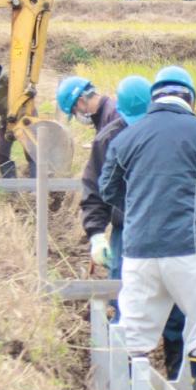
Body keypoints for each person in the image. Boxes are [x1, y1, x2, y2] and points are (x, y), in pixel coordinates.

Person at [101, 65, 196, 390]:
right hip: (189, 250)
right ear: (189, 97)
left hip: (138, 253)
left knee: (134, 332)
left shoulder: (127, 136)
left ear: (154, 96)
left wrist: (142, 210)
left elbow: (108, 188)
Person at [67, 74, 186, 370]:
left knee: (177, 303)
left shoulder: (172, 135)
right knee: (127, 299)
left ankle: (178, 372)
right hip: (129, 231)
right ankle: (128, 375)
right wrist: (95, 233)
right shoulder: (109, 139)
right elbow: (94, 189)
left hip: (172, 230)